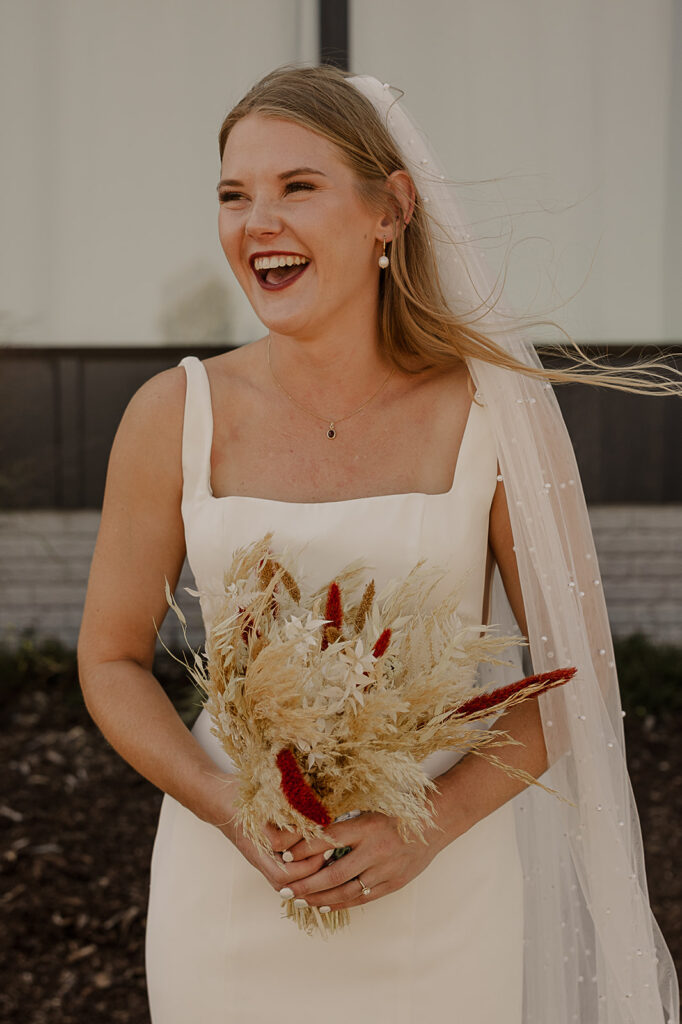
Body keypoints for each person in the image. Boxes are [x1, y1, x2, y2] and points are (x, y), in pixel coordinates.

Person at [77, 65, 680, 1024]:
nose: (255, 222)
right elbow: (109, 659)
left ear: (389, 210)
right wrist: (226, 805)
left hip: (439, 889)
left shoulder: (492, 412)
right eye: (234, 196)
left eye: (297, 188)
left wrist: (426, 829)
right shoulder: (172, 415)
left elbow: (579, 671)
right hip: (231, 884)